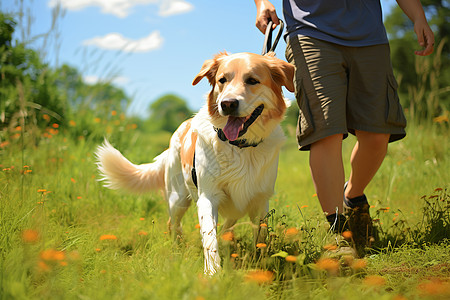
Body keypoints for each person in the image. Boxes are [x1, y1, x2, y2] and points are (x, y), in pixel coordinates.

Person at [254, 0, 434, 255]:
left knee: (377, 133)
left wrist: (418, 16)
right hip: (310, 32)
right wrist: (262, 3)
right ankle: (339, 232)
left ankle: (353, 195)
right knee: (325, 130)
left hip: (369, 36)